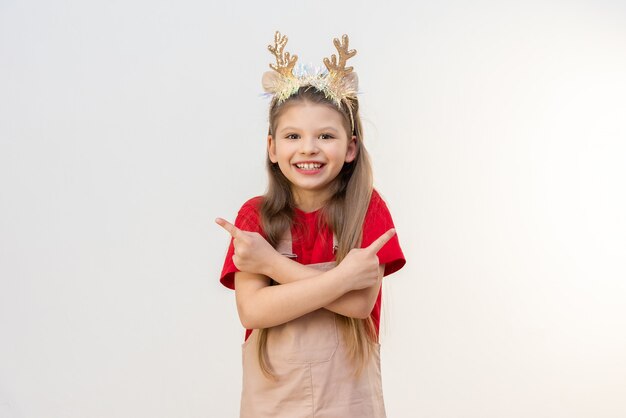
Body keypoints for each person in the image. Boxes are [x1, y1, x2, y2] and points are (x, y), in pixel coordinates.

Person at [216, 31, 406, 418]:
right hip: (274, 400)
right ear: (272, 147)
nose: (308, 148)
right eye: (293, 136)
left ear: (350, 147)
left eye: (325, 135)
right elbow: (252, 311)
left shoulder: (366, 208)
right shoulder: (256, 217)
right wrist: (342, 277)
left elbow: (358, 304)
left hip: (349, 401)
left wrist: (270, 264)